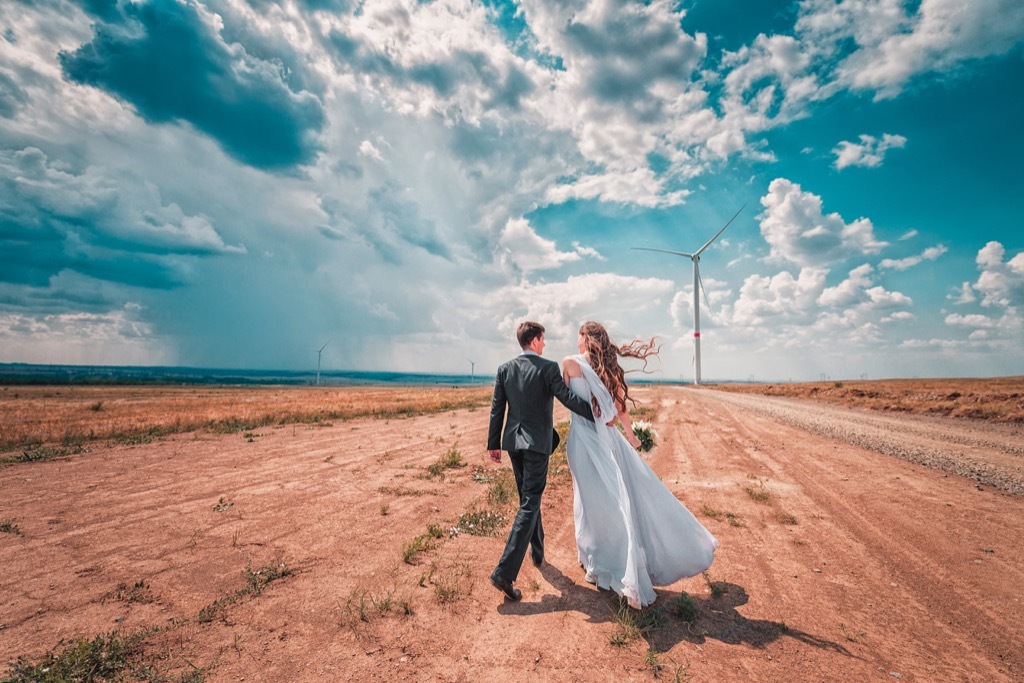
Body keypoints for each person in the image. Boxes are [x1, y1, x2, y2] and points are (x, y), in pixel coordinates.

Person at [562, 321, 718, 608]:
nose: (576, 341)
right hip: (608, 442)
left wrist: (604, 422)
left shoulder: (569, 364)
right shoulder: (606, 371)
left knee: (589, 501)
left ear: (585, 338)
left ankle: (600, 561)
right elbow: (617, 410)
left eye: (579, 336)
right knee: (614, 502)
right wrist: (632, 438)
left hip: (583, 442)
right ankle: (608, 560)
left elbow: (569, 401)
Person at [488, 321, 594, 602]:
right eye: (543, 339)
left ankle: (538, 550)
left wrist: (493, 444)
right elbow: (568, 397)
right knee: (529, 502)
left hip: (513, 444)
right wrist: (595, 412)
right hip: (536, 445)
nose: (545, 344)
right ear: (534, 341)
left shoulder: (505, 369)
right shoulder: (547, 368)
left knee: (527, 497)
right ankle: (505, 573)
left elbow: (497, 408)